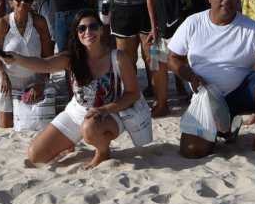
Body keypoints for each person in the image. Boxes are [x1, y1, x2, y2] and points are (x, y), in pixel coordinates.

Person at [9, 15, 151, 169]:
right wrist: (17, 58)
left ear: (102, 30)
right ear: (77, 33)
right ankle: (69, 142)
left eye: (93, 27)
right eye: (82, 28)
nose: (87, 31)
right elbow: (44, 64)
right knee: (36, 155)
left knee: (89, 128)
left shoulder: (117, 57)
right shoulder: (72, 58)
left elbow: (133, 93)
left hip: (110, 114)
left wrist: (104, 109)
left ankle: (103, 151)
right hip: (76, 112)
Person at [167, 0, 255, 160]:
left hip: (242, 92)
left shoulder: (251, 27)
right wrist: (189, 75)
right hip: (207, 98)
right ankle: (226, 127)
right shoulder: (193, 22)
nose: (226, 0)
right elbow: (173, 57)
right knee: (192, 151)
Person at [0, 0, 57, 131]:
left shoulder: (39, 22)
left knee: (32, 124)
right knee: (6, 126)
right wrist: (2, 75)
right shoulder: (3, 24)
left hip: (32, 78)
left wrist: (40, 82)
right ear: (11, 2)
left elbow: (48, 56)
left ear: (32, 2)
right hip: (7, 79)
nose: (23, 3)